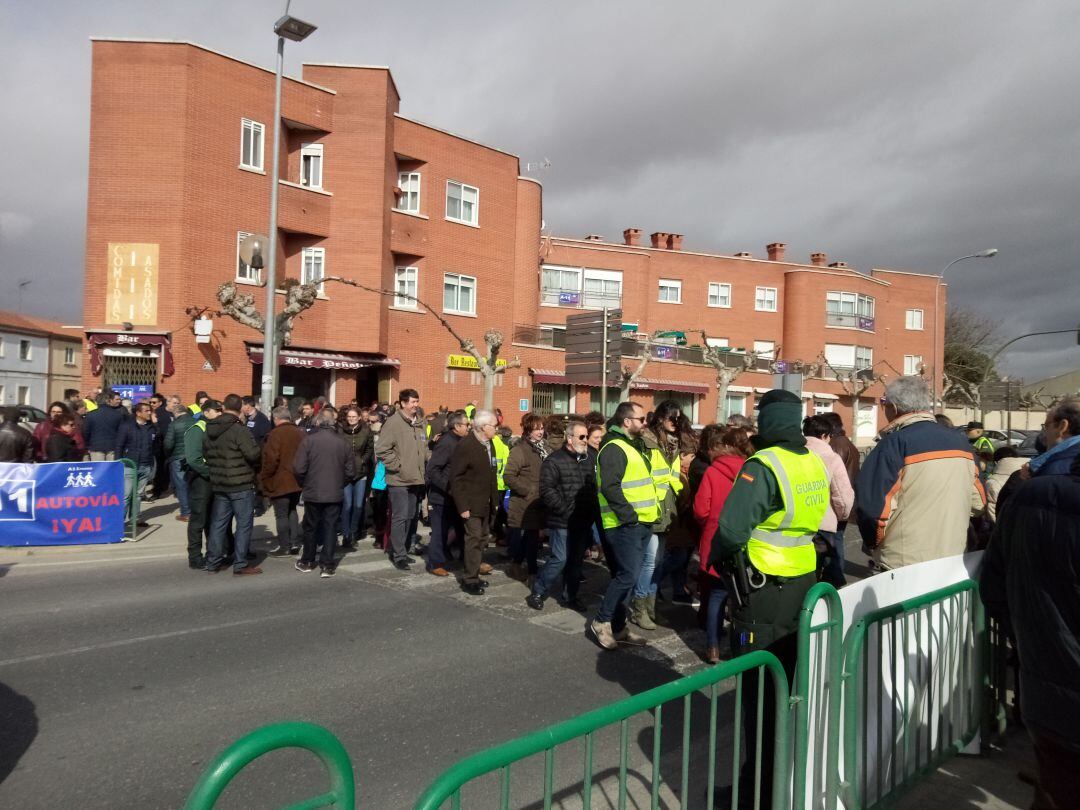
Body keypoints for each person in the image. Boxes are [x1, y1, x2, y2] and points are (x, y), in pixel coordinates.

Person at [707, 389, 829, 807]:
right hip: (803, 584)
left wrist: (713, 563)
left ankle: (757, 794)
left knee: (759, 698)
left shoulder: (762, 466)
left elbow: (730, 530)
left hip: (762, 592)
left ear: (765, 420)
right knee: (791, 687)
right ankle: (783, 783)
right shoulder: (811, 459)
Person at [980, 396, 1080, 810]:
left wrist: (1029, 633)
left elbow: (996, 580)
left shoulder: (1035, 490)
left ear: (1062, 426)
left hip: (1051, 686)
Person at [855, 376, 985, 570]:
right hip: (953, 558)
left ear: (895, 407)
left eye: (884, 404)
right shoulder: (962, 444)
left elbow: (872, 510)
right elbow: (979, 503)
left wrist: (875, 545)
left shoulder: (893, 445)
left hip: (904, 564)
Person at [589, 401, 656, 650]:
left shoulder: (630, 445)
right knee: (627, 575)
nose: (644, 422)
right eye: (641, 419)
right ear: (627, 421)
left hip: (639, 522)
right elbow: (610, 486)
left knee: (627, 576)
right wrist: (629, 516)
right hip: (624, 524)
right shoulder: (615, 447)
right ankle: (601, 621)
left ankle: (618, 627)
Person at [693, 426, 752, 663]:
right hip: (744, 540)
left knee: (716, 595)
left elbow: (701, 510)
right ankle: (740, 646)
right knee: (743, 601)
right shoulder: (751, 471)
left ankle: (713, 647)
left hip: (715, 538)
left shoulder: (712, 472)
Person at [528, 419, 596, 611]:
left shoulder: (589, 458)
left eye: (586, 437)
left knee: (576, 561)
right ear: (569, 438)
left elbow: (593, 487)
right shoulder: (554, 460)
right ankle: (538, 591)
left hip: (583, 521)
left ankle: (571, 596)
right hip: (563, 520)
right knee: (560, 559)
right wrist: (565, 510)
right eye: (581, 437)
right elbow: (547, 490)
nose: (585, 440)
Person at [629, 400, 685, 631]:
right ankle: (639, 608)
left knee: (658, 561)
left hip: (667, 506)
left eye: (679, 418)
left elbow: (674, 476)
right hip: (650, 507)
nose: (676, 422)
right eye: (672, 417)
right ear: (661, 417)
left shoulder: (673, 443)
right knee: (650, 561)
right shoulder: (647, 441)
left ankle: (651, 608)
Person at [203, 393, 262, 576]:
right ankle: (240, 563)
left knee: (218, 524)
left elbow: (205, 451)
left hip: (220, 482)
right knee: (244, 524)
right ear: (240, 408)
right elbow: (253, 454)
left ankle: (213, 562)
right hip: (240, 483)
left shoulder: (209, 428)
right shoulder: (239, 429)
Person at [293, 407, 354, 577]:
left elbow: (298, 468)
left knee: (311, 527)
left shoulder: (309, 440)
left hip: (313, 491)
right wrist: (340, 483)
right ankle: (327, 564)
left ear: (318, 422)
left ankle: (308, 560)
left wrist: (304, 483)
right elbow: (350, 472)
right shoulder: (342, 443)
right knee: (330, 527)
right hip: (333, 491)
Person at [375, 388, 429, 570]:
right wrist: (397, 466)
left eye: (417, 401)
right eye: (412, 402)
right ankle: (398, 555)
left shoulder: (420, 423)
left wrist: (431, 458)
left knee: (411, 516)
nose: (416, 405)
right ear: (403, 403)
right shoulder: (393, 423)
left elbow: (424, 448)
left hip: (416, 478)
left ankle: (403, 550)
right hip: (399, 479)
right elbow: (382, 449)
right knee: (400, 517)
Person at [448, 409, 499, 595]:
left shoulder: (489, 443)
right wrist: (463, 506)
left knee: (482, 539)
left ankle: (475, 574)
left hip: (486, 502)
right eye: (494, 425)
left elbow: (492, 473)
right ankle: (469, 579)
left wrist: (495, 501)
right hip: (471, 504)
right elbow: (456, 478)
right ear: (484, 427)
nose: (497, 429)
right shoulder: (466, 445)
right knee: (474, 540)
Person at [803, 414, 855, 587]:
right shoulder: (830, 457)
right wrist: (841, 515)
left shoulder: (795, 454)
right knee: (827, 574)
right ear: (825, 435)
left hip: (797, 523)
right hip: (823, 525)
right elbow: (842, 495)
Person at [425, 410, 468, 577]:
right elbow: (433, 469)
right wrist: (448, 487)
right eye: (466, 425)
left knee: (461, 529)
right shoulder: (446, 442)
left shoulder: (462, 441)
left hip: (457, 496)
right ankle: (435, 563)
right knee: (440, 531)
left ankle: (466, 559)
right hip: (442, 496)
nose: (468, 428)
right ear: (456, 426)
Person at [505, 413, 548, 583]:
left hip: (540, 501)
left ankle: (516, 565)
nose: (540, 432)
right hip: (525, 503)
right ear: (528, 430)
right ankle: (532, 573)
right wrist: (527, 490)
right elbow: (508, 476)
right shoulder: (519, 450)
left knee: (531, 538)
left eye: (542, 428)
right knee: (531, 538)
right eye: (536, 429)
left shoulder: (543, 448)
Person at [260, 406, 305, 557]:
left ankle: (285, 545)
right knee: (292, 510)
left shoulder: (275, 434)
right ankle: (294, 543)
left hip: (280, 480)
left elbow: (271, 460)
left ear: (276, 419)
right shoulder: (300, 433)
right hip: (296, 480)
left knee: (281, 514)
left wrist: (264, 478)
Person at [182, 399, 220, 569]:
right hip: (201, 480)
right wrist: (210, 473)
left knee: (212, 519)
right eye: (216, 410)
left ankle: (213, 554)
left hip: (213, 479)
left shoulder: (215, 429)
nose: (220, 413)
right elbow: (194, 459)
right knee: (198, 519)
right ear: (206, 413)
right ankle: (195, 557)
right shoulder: (197, 429)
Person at [116, 400, 157, 528]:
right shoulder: (127, 426)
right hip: (129, 465)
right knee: (126, 495)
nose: (149, 413)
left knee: (138, 494)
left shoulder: (151, 427)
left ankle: (135, 519)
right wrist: (119, 462)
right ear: (138, 413)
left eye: (150, 411)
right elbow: (119, 446)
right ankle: (118, 523)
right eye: (147, 411)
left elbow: (155, 444)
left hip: (145, 465)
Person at [337, 404, 373, 550]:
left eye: (354, 417)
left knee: (358, 505)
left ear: (359, 418)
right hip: (345, 473)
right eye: (349, 417)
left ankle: (353, 532)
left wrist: (363, 460)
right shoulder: (340, 431)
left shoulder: (366, 431)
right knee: (347, 505)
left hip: (361, 473)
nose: (351, 419)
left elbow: (370, 448)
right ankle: (346, 534)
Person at [162, 395, 195, 522]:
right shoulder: (196, 421)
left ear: (176, 413)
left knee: (181, 485)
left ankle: (186, 513)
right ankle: (196, 510)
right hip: (194, 456)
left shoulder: (174, 424)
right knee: (193, 484)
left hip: (178, 457)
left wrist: (168, 455)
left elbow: (168, 444)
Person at [83, 388, 126, 461]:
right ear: (108, 401)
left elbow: (86, 432)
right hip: (113, 446)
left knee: (99, 470)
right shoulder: (118, 414)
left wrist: (87, 445)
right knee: (111, 469)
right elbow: (122, 432)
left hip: (96, 446)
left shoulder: (90, 415)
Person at [986, 445, 1024, 523]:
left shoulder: (993, 482)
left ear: (996, 462)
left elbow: (993, 512)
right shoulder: (1030, 474)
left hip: (1005, 529)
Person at [148, 393, 172, 499]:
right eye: (150, 402)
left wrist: (155, 423)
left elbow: (160, 431)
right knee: (162, 468)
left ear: (160, 403)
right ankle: (162, 487)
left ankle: (157, 491)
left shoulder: (159, 413)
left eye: (154, 402)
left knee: (159, 469)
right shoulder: (162, 412)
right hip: (160, 445)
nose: (152, 404)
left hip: (159, 445)